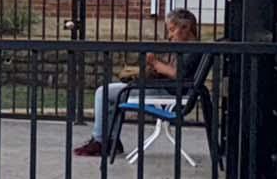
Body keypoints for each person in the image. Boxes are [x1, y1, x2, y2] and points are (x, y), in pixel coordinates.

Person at [73, 8, 201, 158]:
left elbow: (177, 74)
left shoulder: (193, 50)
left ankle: (101, 141)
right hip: (165, 90)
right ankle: (110, 140)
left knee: (104, 92)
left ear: (185, 27)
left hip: (167, 94)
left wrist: (155, 63)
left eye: (172, 30)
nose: (170, 35)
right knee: (111, 94)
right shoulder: (186, 48)